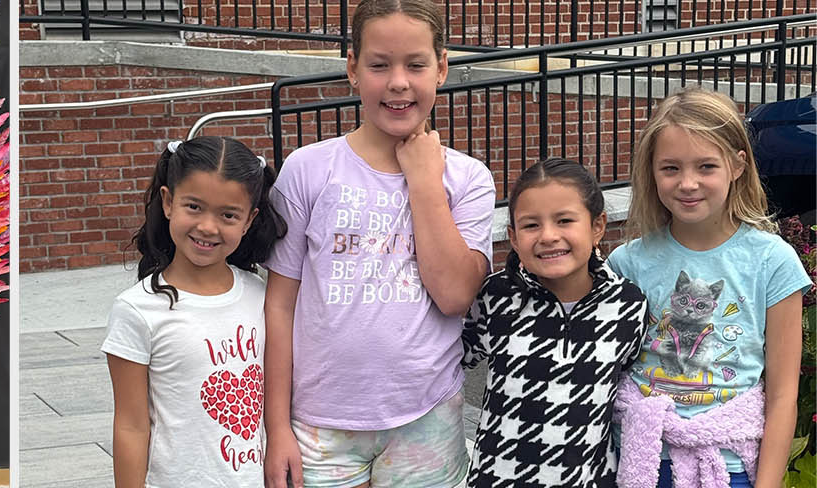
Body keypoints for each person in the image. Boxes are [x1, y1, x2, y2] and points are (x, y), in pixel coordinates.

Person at [258, 0, 498, 486]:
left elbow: (455, 295)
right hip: (319, 422)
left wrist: (425, 181)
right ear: (352, 68)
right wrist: (276, 427)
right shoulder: (307, 170)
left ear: (442, 68)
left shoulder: (468, 179)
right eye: (379, 65)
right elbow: (279, 306)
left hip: (427, 414)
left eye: (416, 65)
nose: (398, 82)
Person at [609, 89, 810, 488]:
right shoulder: (626, 263)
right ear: (652, 170)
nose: (688, 183)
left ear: (737, 165)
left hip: (730, 466)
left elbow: (783, 394)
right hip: (641, 461)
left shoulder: (773, 261)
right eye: (670, 168)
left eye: (706, 166)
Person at [105, 136, 285, 488]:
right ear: (168, 202)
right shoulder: (137, 310)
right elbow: (130, 425)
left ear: (249, 220)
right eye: (194, 207)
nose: (207, 227)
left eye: (228, 215)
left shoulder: (261, 295)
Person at [462, 158, 647, 486]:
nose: (548, 236)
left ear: (597, 226)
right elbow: (449, 360)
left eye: (564, 221)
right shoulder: (497, 296)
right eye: (531, 225)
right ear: (513, 237)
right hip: (498, 478)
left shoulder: (627, 305)